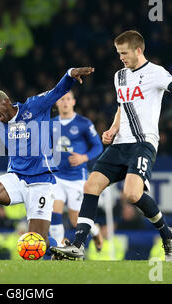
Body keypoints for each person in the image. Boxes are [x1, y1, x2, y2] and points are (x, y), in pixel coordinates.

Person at [51, 30, 172, 262]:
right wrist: (113, 128)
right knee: (91, 186)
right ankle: (77, 245)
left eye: (124, 53)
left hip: (143, 142)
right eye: (118, 53)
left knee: (132, 194)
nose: (121, 58)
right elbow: (122, 107)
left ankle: (168, 235)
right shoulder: (120, 76)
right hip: (120, 143)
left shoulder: (155, 73)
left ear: (138, 50)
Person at [0, 36, 94, 260]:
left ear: (7, 102)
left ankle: (66, 249)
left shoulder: (33, 107)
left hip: (41, 181)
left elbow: (58, 90)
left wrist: (70, 74)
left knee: (39, 243)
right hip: (16, 178)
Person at [49, 90, 104, 249]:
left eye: (68, 99)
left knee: (75, 220)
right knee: (55, 212)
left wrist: (84, 158)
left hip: (77, 178)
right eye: (62, 99)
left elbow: (98, 146)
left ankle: (95, 231)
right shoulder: (51, 123)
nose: (65, 102)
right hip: (57, 176)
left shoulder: (83, 123)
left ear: (73, 102)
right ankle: (59, 248)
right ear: (57, 103)